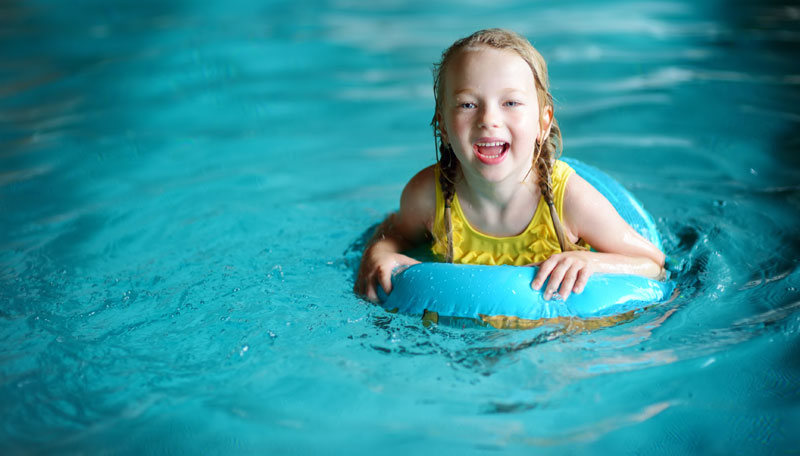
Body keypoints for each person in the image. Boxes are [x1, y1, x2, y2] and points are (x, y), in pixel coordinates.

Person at [355, 28, 665, 304]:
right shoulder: (427, 195)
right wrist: (378, 254)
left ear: (543, 123)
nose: (488, 119)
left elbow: (654, 264)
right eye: (467, 104)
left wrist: (593, 263)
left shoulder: (567, 199)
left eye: (511, 103)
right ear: (444, 127)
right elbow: (396, 234)